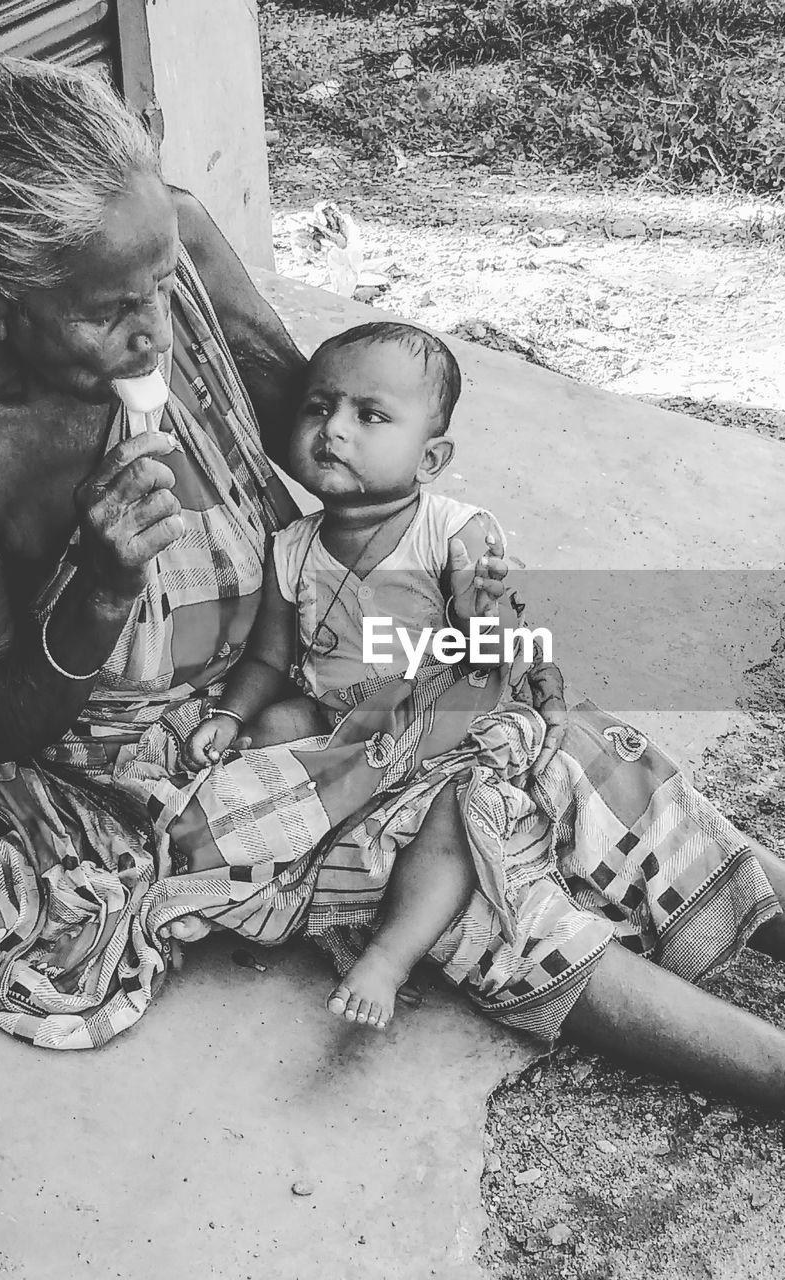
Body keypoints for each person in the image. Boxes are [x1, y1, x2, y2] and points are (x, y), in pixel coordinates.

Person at [0, 58, 785, 1193]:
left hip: (279, 624)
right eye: (111, 314)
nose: (157, 326)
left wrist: (428, 595)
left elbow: (317, 444)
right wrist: (96, 590)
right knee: (453, 857)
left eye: (161, 283)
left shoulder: (176, 248)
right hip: (136, 742)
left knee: (560, 737)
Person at [182, 320, 516, 1029]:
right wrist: (231, 716)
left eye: (369, 416)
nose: (333, 428)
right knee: (268, 733)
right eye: (317, 406)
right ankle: (285, 869)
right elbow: (271, 660)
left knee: (457, 816)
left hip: (431, 737)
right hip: (336, 727)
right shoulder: (291, 548)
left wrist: (486, 611)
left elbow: (486, 659)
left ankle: (388, 957)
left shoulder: (454, 532)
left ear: (431, 458)